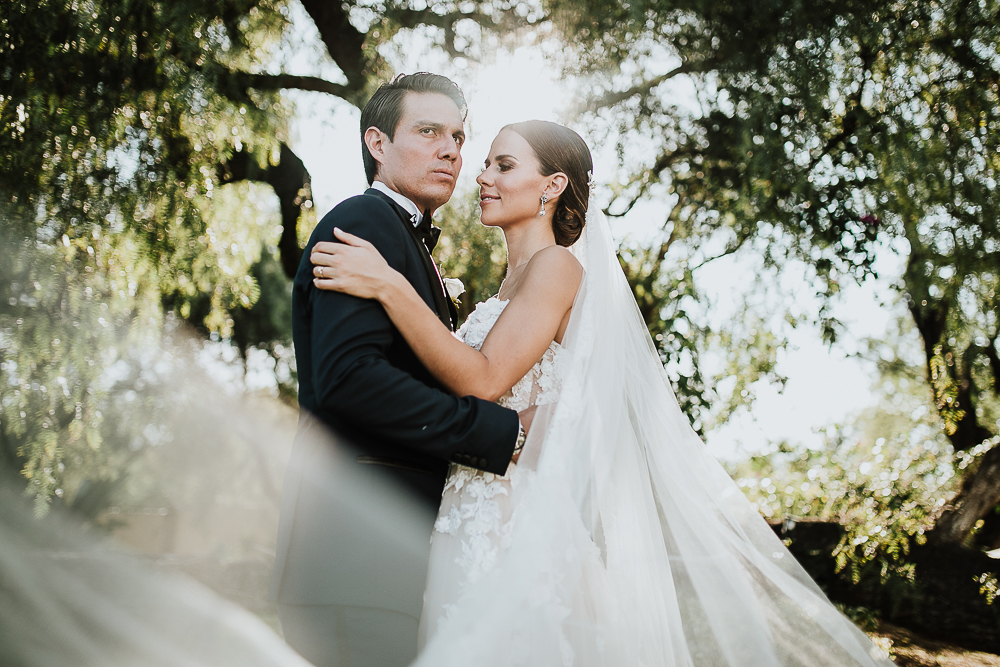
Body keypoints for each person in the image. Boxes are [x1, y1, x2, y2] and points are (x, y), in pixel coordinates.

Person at [310, 120, 894, 665]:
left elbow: (483, 379)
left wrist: (389, 285)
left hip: (511, 523)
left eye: (503, 165)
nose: (481, 175)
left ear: (552, 186)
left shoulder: (558, 268)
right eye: (484, 163)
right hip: (465, 511)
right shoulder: (507, 285)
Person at [269, 73, 526, 667]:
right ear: (377, 144)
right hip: (354, 560)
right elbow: (348, 380)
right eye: (429, 131)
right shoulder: (367, 221)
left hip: (382, 560)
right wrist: (497, 431)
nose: (451, 150)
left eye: (459, 137)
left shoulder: (410, 244)